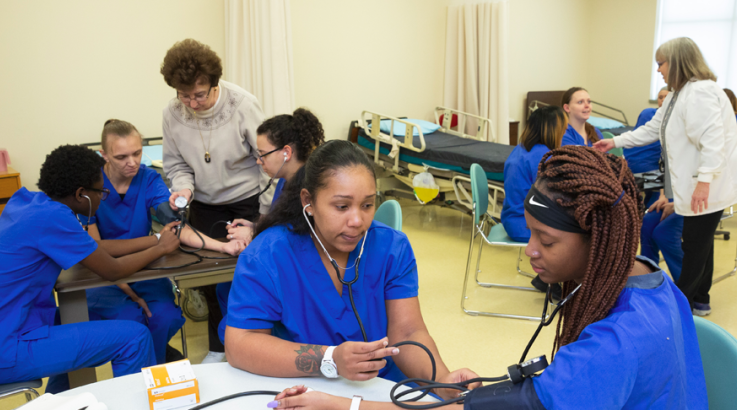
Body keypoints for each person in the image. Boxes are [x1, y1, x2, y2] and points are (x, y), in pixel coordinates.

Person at [269, 146, 707, 410]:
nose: (529, 250)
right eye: (530, 234)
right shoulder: (655, 283)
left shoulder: (614, 346)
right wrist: (443, 383)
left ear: (598, 242)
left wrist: (342, 405)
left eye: (547, 241)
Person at [224, 141, 474, 400]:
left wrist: (441, 382)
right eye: (342, 207)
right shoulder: (269, 255)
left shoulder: (391, 248)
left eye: (367, 205)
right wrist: (329, 359)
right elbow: (240, 344)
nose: (357, 221)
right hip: (307, 391)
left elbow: (409, 333)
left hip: (384, 389)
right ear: (308, 201)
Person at [0, 145, 179, 393]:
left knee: (87, 317)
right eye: (101, 192)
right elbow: (113, 270)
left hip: (15, 321)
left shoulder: (28, 204)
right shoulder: (53, 218)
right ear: (81, 194)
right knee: (135, 337)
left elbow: (93, 247)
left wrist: (156, 239)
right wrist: (160, 249)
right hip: (9, 345)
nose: (102, 199)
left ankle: (60, 400)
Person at [79, 119, 245, 366]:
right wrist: (131, 284)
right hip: (104, 276)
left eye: (137, 153)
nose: (132, 162)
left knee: (164, 317)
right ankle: (139, 380)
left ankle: (153, 374)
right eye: (121, 156)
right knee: (130, 321)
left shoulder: (148, 179)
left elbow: (175, 227)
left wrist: (222, 246)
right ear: (103, 154)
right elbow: (96, 248)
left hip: (146, 270)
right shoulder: (90, 186)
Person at [595, 37, 737, 316]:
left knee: (694, 246)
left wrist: (704, 182)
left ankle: (679, 307)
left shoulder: (701, 92)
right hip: (698, 183)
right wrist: (614, 142)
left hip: (707, 185)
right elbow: (651, 130)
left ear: (678, 62)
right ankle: (700, 300)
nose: (658, 69)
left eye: (661, 63)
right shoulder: (677, 95)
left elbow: (713, 141)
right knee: (702, 244)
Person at [160, 39, 271, 362]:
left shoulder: (243, 105)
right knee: (209, 280)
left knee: (245, 278)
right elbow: (176, 163)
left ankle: (253, 346)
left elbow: (267, 160)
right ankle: (218, 348)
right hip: (204, 204)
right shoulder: (172, 113)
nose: (192, 104)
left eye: (199, 94)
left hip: (248, 201)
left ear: (214, 84)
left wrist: (261, 218)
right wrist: (184, 189)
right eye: (184, 95)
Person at [215, 108, 326, 342]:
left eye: (263, 154)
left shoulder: (307, 191)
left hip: (301, 277)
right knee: (224, 288)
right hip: (287, 264)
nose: (259, 160)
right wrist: (255, 227)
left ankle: (248, 343)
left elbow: (294, 237)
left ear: (286, 152)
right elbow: (284, 224)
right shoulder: (285, 183)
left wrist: (257, 233)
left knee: (226, 322)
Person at [501, 106, 567, 298]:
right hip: (525, 225)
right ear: (552, 128)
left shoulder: (521, 149)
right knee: (580, 233)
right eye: (563, 127)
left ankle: (547, 279)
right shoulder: (543, 156)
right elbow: (556, 196)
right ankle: (555, 282)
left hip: (512, 218)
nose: (565, 131)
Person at [623, 87, 669, 177]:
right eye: (660, 97)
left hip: (634, 164)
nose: (663, 100)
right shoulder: (647, 113)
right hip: (641, 164)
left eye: (666, 97)